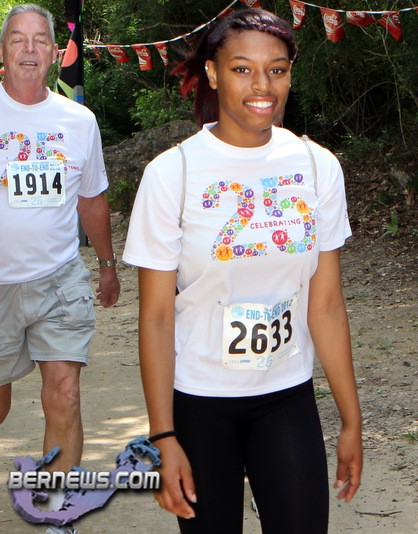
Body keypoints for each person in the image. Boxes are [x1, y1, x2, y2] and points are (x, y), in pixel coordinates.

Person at [122, 8, 362, 533]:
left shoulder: (317, 166)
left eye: (277, 70)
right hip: (200, 400)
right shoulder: (172, 174)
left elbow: (325, 305)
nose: (262, 86)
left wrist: (351, 419)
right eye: (242, 69)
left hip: (286, 394)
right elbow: (157, 318)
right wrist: (163, 437)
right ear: (212, 73)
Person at [0, 4, 120, 534]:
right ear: (2, 51)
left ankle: (55, 514)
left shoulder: (78, 121)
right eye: (17, 39)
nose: (29, 49)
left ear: (55, 52)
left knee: (64, 394)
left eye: (39, 40)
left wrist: (107, 265)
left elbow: (91, 200)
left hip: (60, 279)